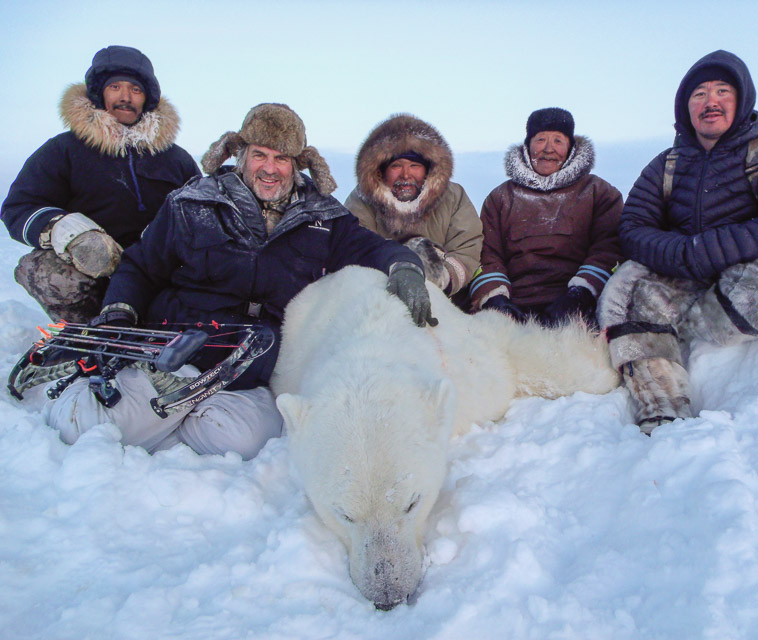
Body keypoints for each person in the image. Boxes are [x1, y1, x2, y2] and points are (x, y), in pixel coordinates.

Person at [43, 103, 434, 460]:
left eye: (281, 158)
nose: (270, 167)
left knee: (237, 442)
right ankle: (130, 404)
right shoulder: (192, 202)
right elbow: (140, 266)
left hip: (252, 369)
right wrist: (118, 314)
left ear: (297, 164)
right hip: (179, 352)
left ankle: (167, 424)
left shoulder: (324, 217)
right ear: (240, 155)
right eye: (260, 155)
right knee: (82, 425)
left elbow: (373, 249)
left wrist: (405, 267)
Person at [597, 50, 758, 434]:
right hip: (687, 274)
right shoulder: (665, 165)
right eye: (699, 94)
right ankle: (661, 409)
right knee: (634, 294)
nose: (711, 102)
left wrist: (713, 247)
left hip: (750, 276)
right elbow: (634, 228)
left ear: (741, 100)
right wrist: (683, 254)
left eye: (722, 91)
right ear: (686, 107)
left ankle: (694, 330)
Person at [1, 45, 199, 323]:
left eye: (136, 90)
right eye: (115, 87)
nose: (125, 97)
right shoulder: (64, 149)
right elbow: (18, 207)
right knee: (42, 269)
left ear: (148, 99)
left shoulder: (176, 158)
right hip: (92, 269)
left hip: (159, 270)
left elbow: (203, 213)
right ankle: (87, 333)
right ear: (99, 93)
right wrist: (67, 233)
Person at [469, 107, 623, 327]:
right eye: (540, 139)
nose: (548, 149)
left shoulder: (599, 192)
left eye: (558, 141)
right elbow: (487, 254)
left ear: (570, 148)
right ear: (527, 145)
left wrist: (582, 294)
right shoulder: (500, 198)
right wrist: (496, 298)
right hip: (515, 306)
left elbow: (610, 248)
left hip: (580, 306)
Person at [344, 114, 483, 299]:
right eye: (396, 165)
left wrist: (442, 278)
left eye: (414, 165)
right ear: (381, 170)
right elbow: (355, 249)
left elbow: (467, 247)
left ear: (428, 169)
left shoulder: (454, 197)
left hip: (449, 301)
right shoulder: (361, 200)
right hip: (382, 296)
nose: (406, 174)